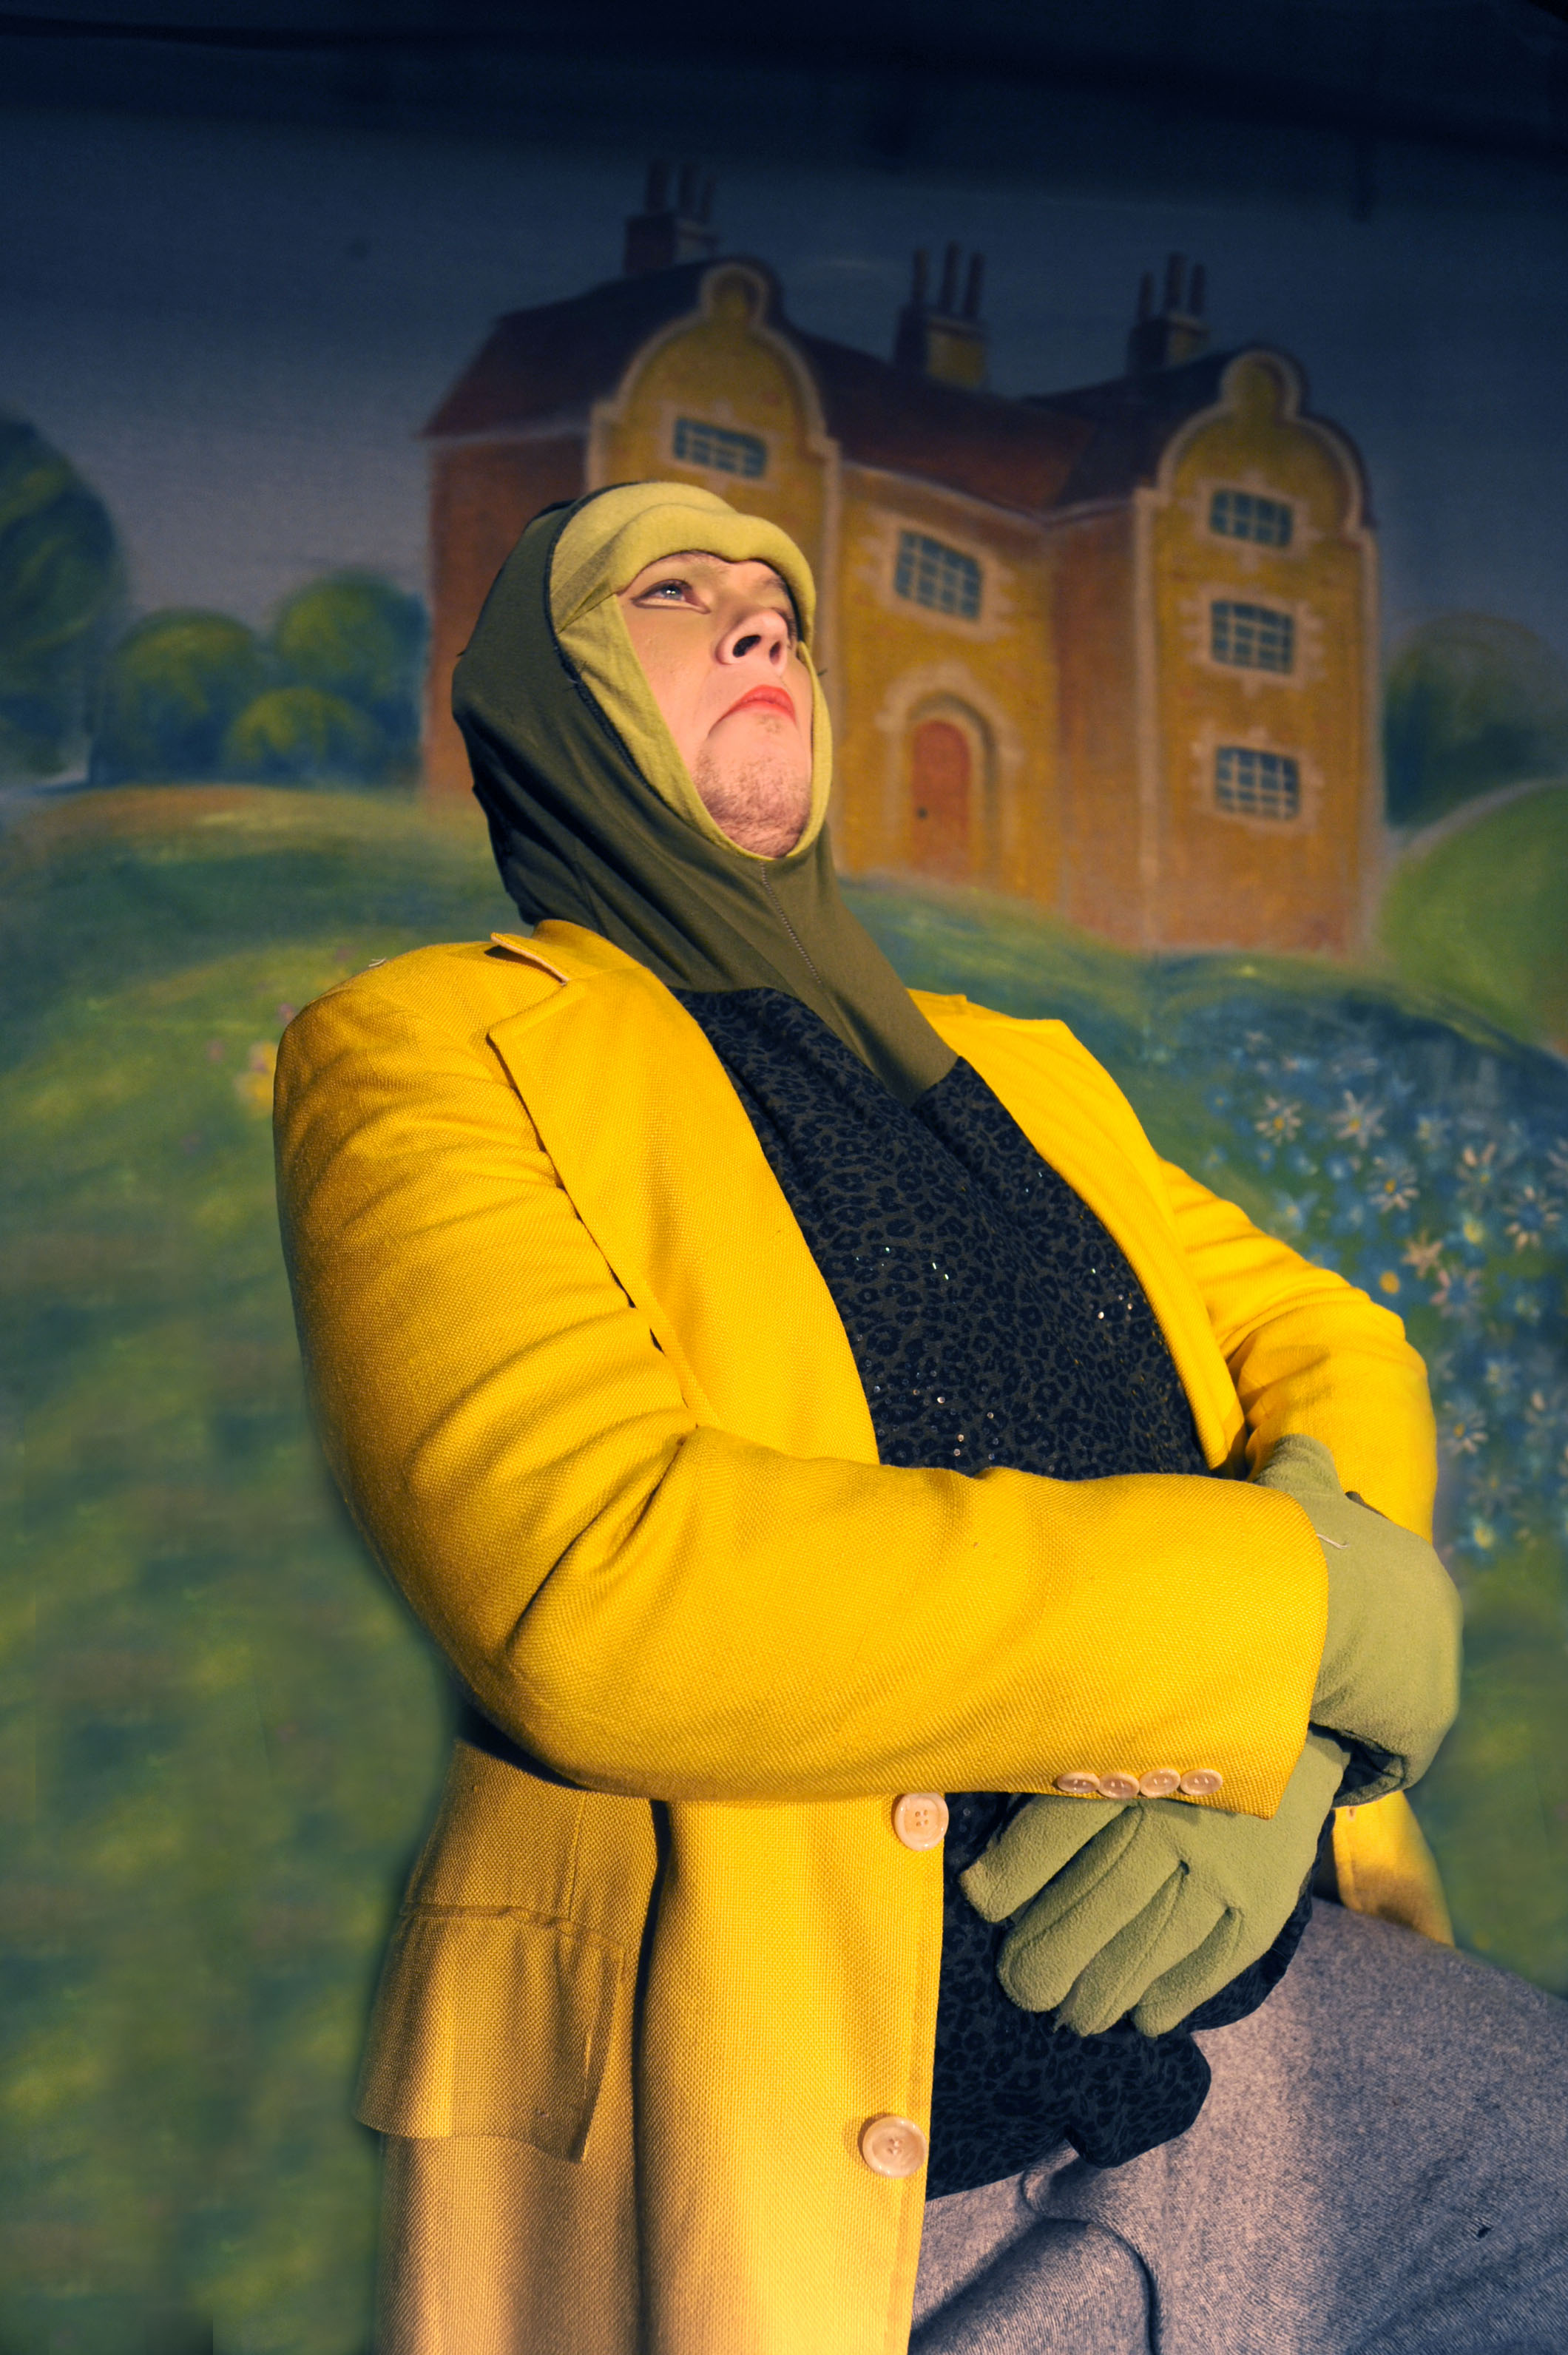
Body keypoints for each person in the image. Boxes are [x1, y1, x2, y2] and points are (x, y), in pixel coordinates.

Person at [274, 483, 1568, 2354]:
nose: (763, 626)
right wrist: (1295, 1613)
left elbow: (1325, 1334)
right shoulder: (426, 1053)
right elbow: (601, 1583)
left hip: (1252, 2054)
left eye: (785, 609)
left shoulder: (1021, 1069)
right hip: (835, 2176)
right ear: (548, 702)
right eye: (675, 592)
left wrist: (1277, 1761)